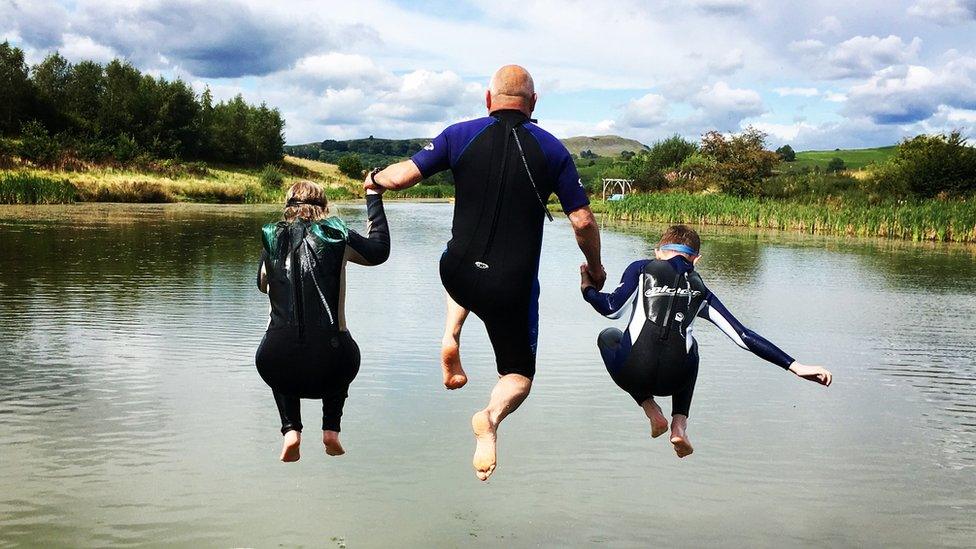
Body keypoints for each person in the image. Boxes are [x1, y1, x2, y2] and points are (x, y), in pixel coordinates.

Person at [365, 65, 606, 481]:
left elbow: (402, 177)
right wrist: (596, 270)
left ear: (488, 98)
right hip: (510, 288)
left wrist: (373, 179)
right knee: (518, 375)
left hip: (457, 273)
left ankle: (451, 335)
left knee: (456, 261)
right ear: (533, 103)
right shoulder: (552, 150)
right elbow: (582, 221)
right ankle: (489, 420)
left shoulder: (459, 134)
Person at [581, 224, 832, 458]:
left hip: (632, 373)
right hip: (674, 381)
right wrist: (796, 366)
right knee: (692, 348)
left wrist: (587, 289)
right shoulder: (701, 290)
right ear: (696, 259)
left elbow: (611, 309)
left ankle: (650, 409)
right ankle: (679, 425)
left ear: (658, 252)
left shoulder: (641, 268)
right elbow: (743, 336)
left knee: (608, 336)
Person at [255, 180, 390, 462]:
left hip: (274, 363)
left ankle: (291, 430)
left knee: (283, 343)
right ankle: (331, 430)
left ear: (287, 208)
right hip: (332, 367)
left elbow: (261, 284)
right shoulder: (335, 234)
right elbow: (379, 251)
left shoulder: (271, 236)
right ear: (325, 207)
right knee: (337, 345)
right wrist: (373, 197)